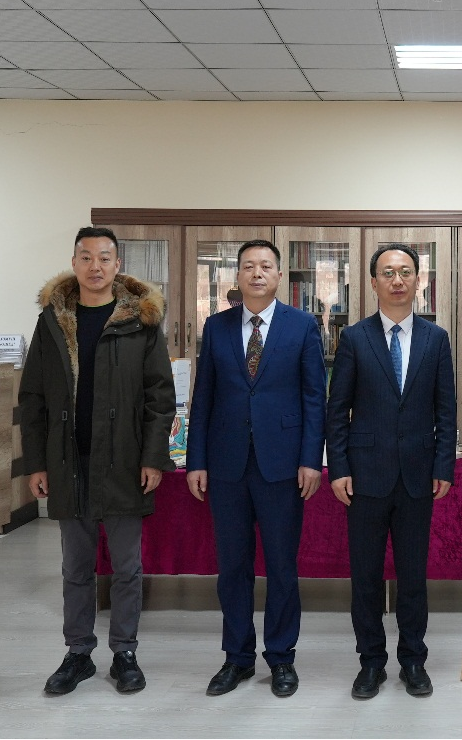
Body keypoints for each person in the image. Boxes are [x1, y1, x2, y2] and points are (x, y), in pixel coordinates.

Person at [19, 226, 176, 695]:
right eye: (86, 257)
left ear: (117, 264)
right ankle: (78, 653)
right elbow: (33, 398)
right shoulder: (52, 321)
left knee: (127, 568)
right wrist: (36, 464)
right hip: (69, 462)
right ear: (74, 262)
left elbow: (159, 397)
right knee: (75, 568)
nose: (95, 266)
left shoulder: (140, 321)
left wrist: (153, 457)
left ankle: (124, 652)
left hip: (124, 462)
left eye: (105, 258)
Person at [186, 239, 325, 698]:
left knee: (282, 566)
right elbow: (203, 398)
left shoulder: (302, 325)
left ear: (280, 275)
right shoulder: (217, 326)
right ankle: (237, 657)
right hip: (226, 464)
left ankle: (281, 657)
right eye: (249, 266)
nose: (257, 273)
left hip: (283, 465)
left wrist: (311, 459)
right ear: (238, 276)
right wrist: (197, 460)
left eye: (266, 266)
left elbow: (314, 398)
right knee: (233, 568)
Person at [325, 244, 456, 700]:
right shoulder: (354, 338)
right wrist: (338, 467)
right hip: (364, 476)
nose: (397, 280)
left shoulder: (436, 339)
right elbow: (337, 410)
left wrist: (443, 464)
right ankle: (370, 662)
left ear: (418, 280)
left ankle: (413, 661)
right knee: (365, 577)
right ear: (373, 282)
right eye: (388, 273)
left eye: (405, 272)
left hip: (419, 475)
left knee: (413, 577)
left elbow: (446, 410)